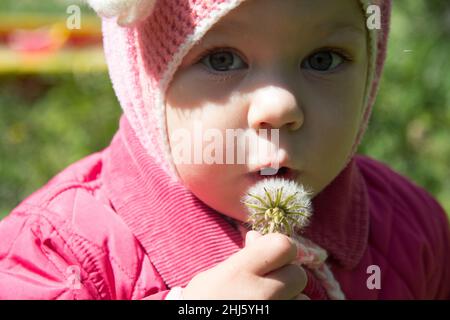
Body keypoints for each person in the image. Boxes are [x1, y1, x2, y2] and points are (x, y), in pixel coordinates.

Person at [0, 0, 449, 300]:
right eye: (222, 60)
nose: (280, 106)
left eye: (324, 59)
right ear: (145, 78)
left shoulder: (410, 229)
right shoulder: (58, 257)